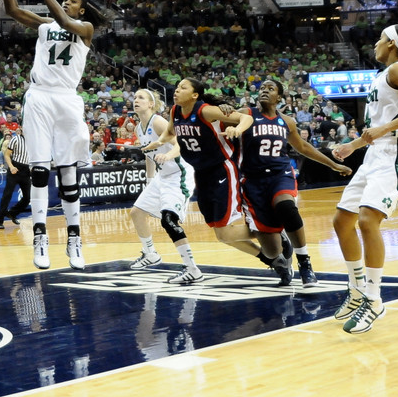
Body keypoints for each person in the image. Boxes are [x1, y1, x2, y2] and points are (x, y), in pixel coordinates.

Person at [331, 24, 398, 334]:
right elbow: (377, 126)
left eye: (380, 39)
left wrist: (382, 131)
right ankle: (356, 290)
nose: (375, 44)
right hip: (375, 154)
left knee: (367, 220)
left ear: (391, 42)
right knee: (341, 221)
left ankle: (374, 299)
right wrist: (354, 145)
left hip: (397, 154)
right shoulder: (383, 75)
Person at [1, 0, 94, 270]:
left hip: (67, 99)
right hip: (39, 96)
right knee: (39, 169)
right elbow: (12, 10)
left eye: (71, 0)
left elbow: (66, 22)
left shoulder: (85, 28)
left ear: (81, 8)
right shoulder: (43, 24)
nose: (67, 2)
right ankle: (40, 238)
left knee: (68, 172)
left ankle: (74, 239)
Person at [148, 78, 284, 279]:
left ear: (195, 95)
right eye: (176, 87)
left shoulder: (205, 111)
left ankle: (273, 233)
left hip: (222, 170)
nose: (176, 91)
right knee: (222, 236)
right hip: (201, 173)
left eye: (182, 88)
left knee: (226, 232)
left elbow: (246, 119)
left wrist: (237, 129)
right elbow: (169, 133)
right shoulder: (175, 111)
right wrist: (158, 142)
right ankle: (272, 259)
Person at [237, 79, 352, 286]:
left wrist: (333, 165)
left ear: (279, 97)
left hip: (280, 174)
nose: (264, 91)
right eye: (262, 88)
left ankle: (305, 262)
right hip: (253, 181)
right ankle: (281, 251)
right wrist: (224, 109)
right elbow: (218, 118)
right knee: (272, 251)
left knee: (287, 207)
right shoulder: (245, 114)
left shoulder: (287, 121)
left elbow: (304, 148)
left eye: (270, 89)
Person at [125, 89, 204, 284]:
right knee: (136, 212)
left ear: (151, 104)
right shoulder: (138, 128)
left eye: (141, 97)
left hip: (179, 174)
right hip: (162, 176)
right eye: (135, 97)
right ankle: (150, 253)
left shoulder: (158, 122)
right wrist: (150, 180)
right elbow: (148, 154)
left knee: (168, 220)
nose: (136, 100)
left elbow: (180, 144)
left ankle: (192, 269)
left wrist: (168, 156)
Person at [0, 125, 31, 229]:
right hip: (15, 168)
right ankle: (0, 220)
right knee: (7, 195)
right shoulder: (16, 139)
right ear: (22, 129)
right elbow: (7, 155)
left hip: (26, 170)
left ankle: (12, 213)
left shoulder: (33, 141)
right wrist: (11, 167)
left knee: (27, 197)